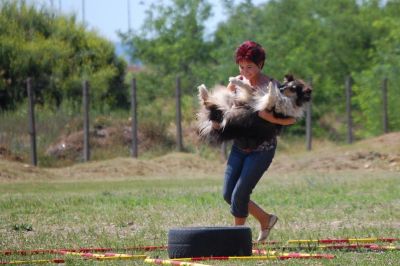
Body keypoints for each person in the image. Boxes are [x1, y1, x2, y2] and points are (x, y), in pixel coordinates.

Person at [214, 40, 296, 242]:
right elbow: (223, 108)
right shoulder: (236, 83)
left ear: (261, 64)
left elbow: (292, 117)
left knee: (240, 194)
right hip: (240, 147)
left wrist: (272, 118)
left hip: (262, 149)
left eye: (249, 66)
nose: (245, 71)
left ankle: (237, 239)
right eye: (241, 66)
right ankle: (266, 219)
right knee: (228, 194)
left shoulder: (272, 87)